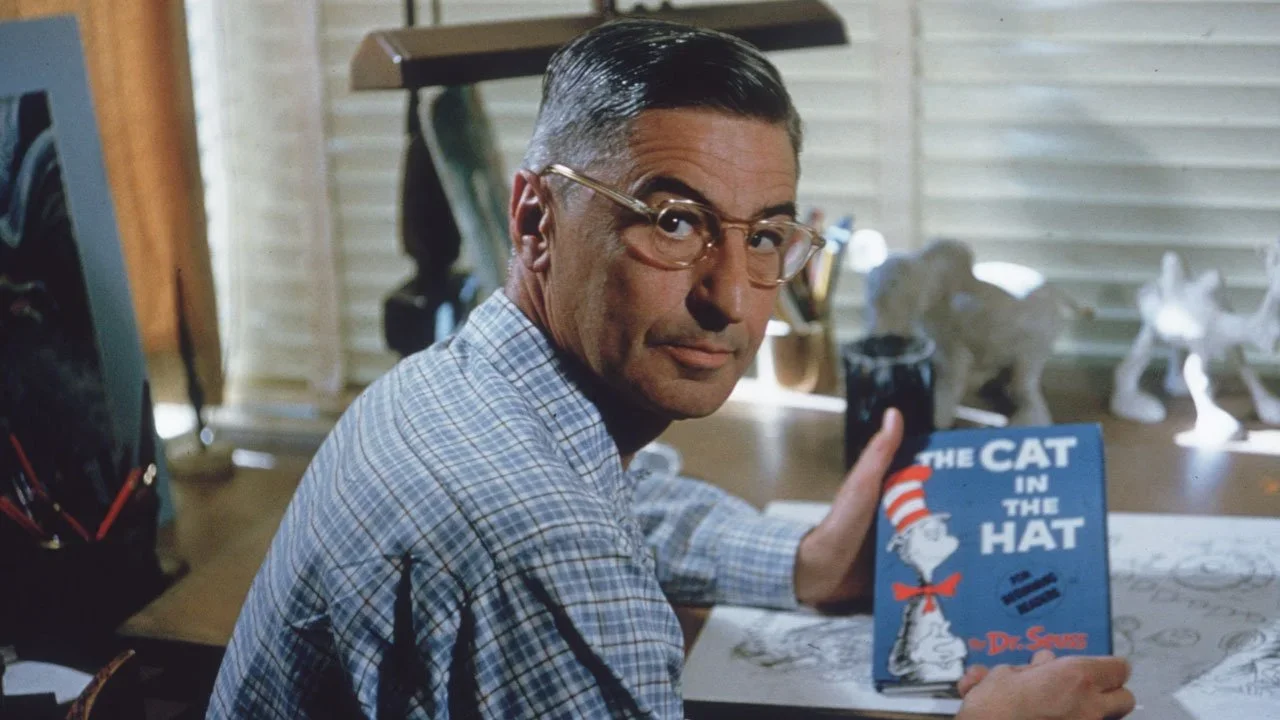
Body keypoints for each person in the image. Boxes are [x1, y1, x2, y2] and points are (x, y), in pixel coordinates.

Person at [209, 19, 1134, 720]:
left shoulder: (463, 386)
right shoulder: (539, 548)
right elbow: (566, 542)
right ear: (534, 221)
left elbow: (623, 501)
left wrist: (809, 563)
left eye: (765, 236)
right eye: (675, 222)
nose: (729, 297)